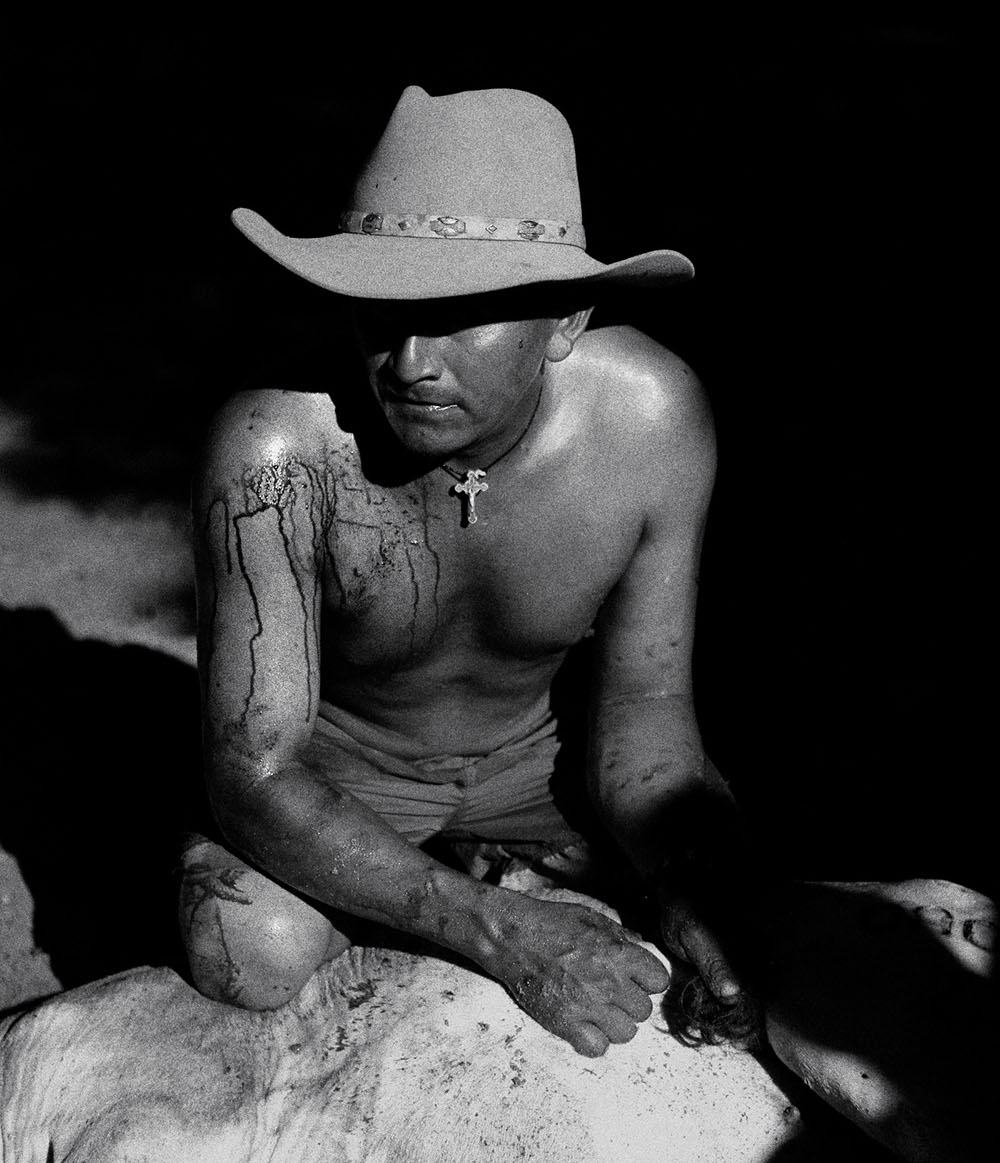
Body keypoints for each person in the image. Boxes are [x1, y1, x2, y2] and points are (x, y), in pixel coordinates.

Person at [179, 85, 750, 1058]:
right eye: (382, 312)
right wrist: (498, 930)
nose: (409, 361)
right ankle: (469, 890)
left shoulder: (649, 420)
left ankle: (490, 873)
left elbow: (648, 704)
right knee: (251, 948)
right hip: (344, 776)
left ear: (566, 320)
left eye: (460, 318)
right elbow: (255, 768)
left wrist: (687, 884)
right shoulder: (276, 448)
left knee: (736, 901)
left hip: (539, 769)